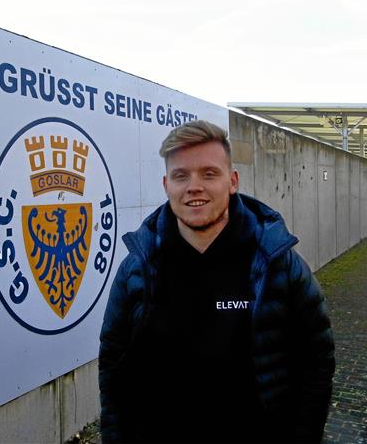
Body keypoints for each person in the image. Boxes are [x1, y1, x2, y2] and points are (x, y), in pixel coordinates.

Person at [98, 120, 335, 443]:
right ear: (166, 185)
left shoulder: (276, 263)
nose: (194, 187)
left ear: (232, 181)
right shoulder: (138, 267)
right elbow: (113, 365)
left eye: (209, 174)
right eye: (181, 176)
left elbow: (316, 362)